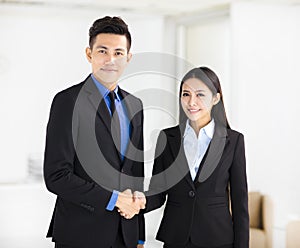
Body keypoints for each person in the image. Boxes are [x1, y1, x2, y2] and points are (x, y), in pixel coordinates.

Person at [43, 16, 146, 248]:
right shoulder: (67, 101)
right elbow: (56, 176)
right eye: (103, 51)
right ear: (89, 54)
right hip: (81, 233)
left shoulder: (135, 105)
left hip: (125, 234)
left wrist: (138, 235)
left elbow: (134, 174)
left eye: (119, 53)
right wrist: (113, 199)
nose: (110, 59)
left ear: (128, 58)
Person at [144, 67, 249, 248]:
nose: (191, 102)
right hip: (176, 238)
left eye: (200, 95)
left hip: (218, 238)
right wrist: (134, 202)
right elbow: (157, 193)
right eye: (186, 94)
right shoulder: (167, 138)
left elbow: (240, 204)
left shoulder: (233, 141)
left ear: (215, 98)